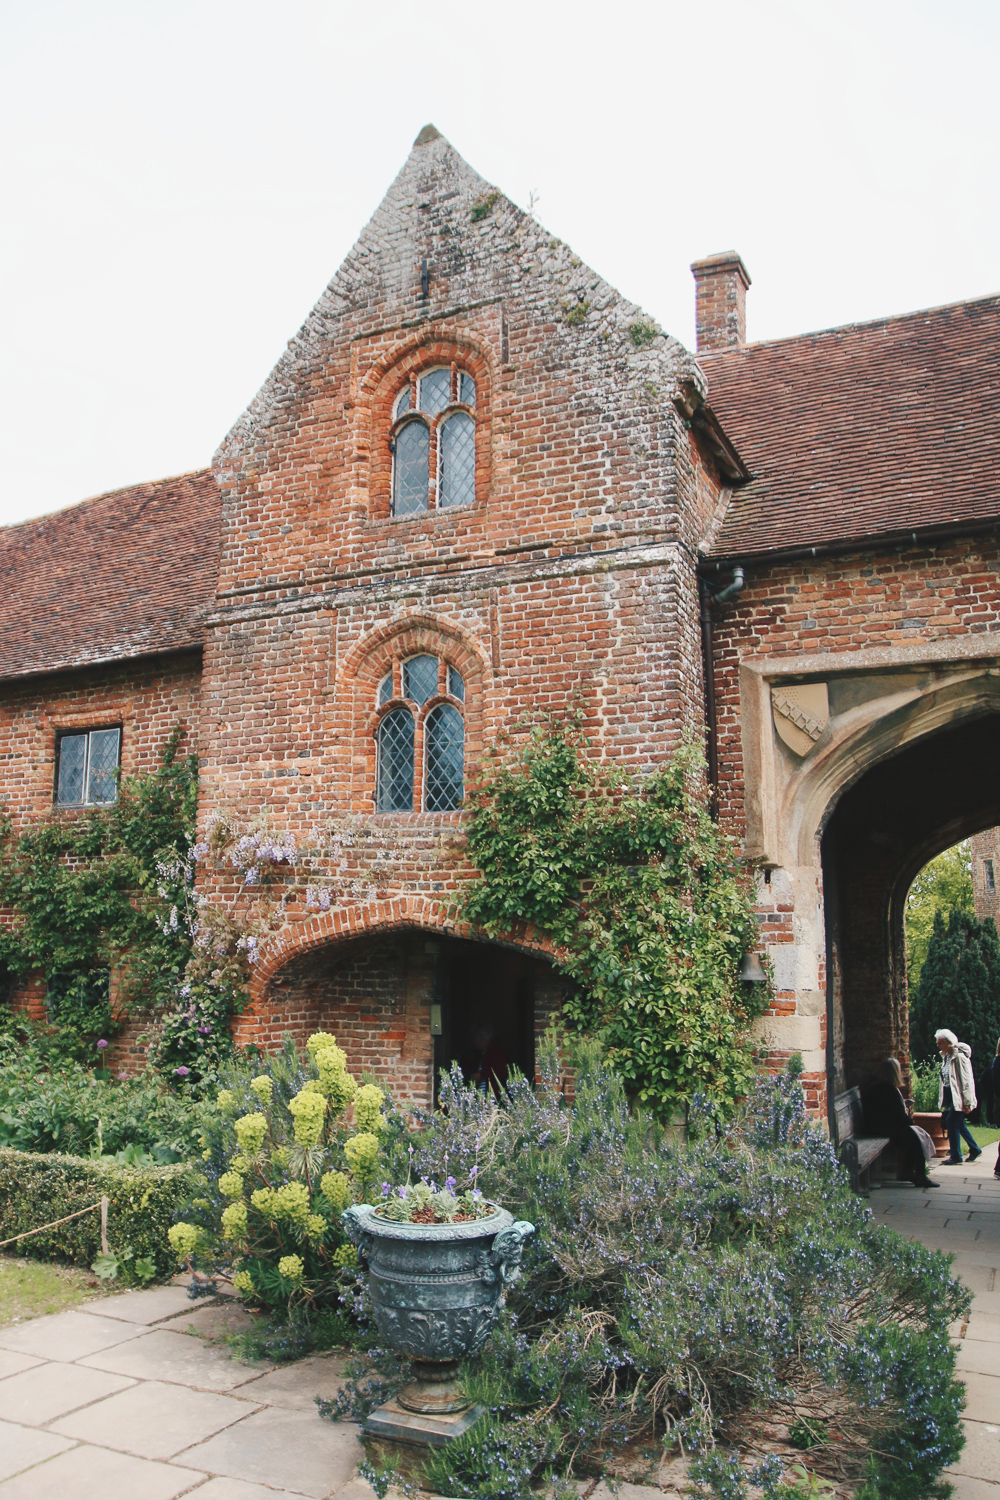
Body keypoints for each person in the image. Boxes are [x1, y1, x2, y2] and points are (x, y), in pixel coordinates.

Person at [862, 1058, 939, 1188]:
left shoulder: (876, 1087)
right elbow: (898, 1116)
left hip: (877, 1125)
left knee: (914, 1136)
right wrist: (911, 1123)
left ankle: (910, 1172)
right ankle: (918, 1175)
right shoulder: (889, 1090)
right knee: (916, 1138)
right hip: (881, 1128)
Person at [936, 1028, 982, 1166]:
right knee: (959, 1124)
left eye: (939, 1043)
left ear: (947, 1042)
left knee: (951, 1122)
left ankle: (956, 1156)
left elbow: (966, 1081)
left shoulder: (959, 1057)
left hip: (959, 1097)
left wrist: (967, 1102)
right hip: (951, 1096)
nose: (938, 1046)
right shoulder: (946, 1057)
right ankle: (974, 1149)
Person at [462, 1028, 509, 1096]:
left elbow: (501, 1071)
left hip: (493, 1095)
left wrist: (481, 1075)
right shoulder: (481, 1053)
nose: (474, 1041)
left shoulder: (495, 1051)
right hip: (482, 1094)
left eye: (476, 1038)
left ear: (482, 1038)